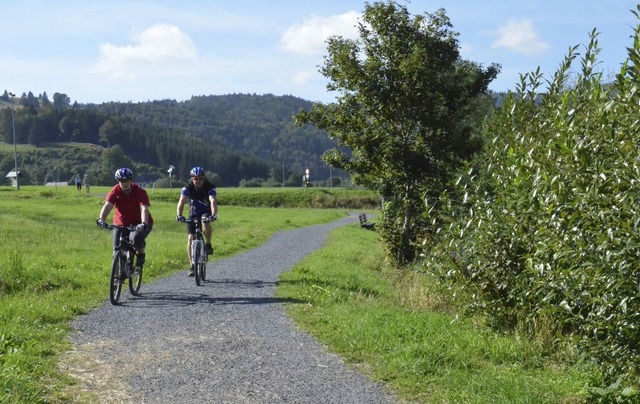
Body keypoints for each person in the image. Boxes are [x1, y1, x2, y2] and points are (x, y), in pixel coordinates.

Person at [96, 168, 153, 272]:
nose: (125, 184)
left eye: (127, 181)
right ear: (118, 181)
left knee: (135, 238)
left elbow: (144, 208)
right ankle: (117, 278)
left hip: (139, 223)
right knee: (116, 249)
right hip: (120, 223)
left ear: (131, 180)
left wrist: (144, 223)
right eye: (122, 181)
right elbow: (107, 206)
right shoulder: (115, 191)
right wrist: (101, 219)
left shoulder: (139, 192)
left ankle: (141, 254)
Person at [176, 166, 218, 276]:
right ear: (192, 179)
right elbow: (181, 201)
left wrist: (213, 215)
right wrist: (179, 215)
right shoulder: (187, 188)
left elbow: (213, 201)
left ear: (203, 179)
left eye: (200, 179)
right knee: (190, 237)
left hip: (205, 212)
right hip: (193, 214)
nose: (198, 181)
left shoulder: (209, 187)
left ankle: (208, 244)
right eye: (195, 179)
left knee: (205, 222)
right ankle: (192, 265)